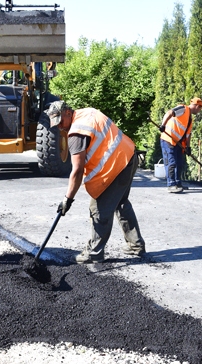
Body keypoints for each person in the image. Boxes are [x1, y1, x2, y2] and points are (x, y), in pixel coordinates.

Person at [46, 101, 145, 264]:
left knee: (98, 208)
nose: (60, 127)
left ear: (68, 113)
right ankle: (136, 245)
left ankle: (94, 252)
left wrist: (67, 199)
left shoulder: (77, 133)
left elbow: (77, 171)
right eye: (56, 125)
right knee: (120, 202)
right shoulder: (88, 113)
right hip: (129, 156)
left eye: (61, 122)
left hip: (116, 167)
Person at [158, 97, 202, 193]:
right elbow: (169, 113)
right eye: (200, 108)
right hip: (168, 140)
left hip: (177, 143)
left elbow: (188, 134)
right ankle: (171, 184)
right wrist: (163, 125)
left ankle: (178, 183)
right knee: (171, 162)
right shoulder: (183, 109)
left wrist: (188, 147)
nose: (200, 111)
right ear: (197, 106)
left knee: (179, 163)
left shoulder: (190, 119)